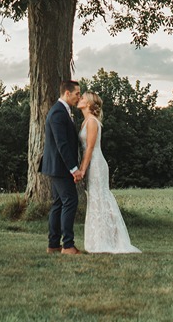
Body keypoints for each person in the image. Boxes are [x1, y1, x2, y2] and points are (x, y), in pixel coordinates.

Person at [78, 91, 141, 254]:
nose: (80, 99)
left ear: (89, 104)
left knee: (101, 198)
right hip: (92, 163)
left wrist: (83, 169)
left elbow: (90, 147)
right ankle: (99, 239)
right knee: (95, 199)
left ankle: (110, 240)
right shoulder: (85, 121)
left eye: (83, 98)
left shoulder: (92, 121)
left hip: (97, 164)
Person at [41, 80, 84, 254]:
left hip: (57, 167)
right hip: (60, 168)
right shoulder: (58, 112)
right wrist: (74, 169)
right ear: (67, 93)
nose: (78, 97)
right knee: (70, 201)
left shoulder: (62, 111)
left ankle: (53, 245)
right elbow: (62, 145)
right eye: (77, 94)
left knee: (59, 203)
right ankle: (67, 245)